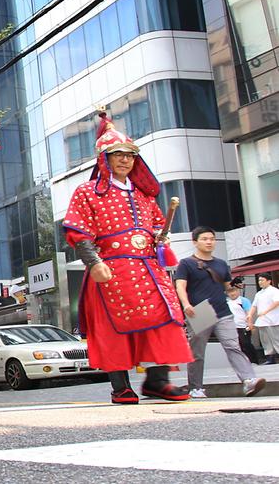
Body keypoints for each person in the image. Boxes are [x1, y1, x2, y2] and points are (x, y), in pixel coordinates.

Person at [63, 111, 192, 404]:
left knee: (165, 319)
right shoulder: (87, 192)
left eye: (130, 155)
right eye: (117, 154)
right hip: (111, 268)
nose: (124, 160)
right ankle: (120, 386)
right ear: (104, 158)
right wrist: (93, 262)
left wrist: (161, 236)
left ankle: (158, 381)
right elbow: (78, 231)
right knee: (112, 328)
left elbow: (158, 224)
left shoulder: (145, 195)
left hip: (149, 269)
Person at [174, 226, 265, 398]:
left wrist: (235, 285)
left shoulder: (221, 264)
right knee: (197, 352)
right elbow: (180, 285)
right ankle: (195, 387)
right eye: (204, 239)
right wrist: (186, 304)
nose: (209, 242)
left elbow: (227, 287)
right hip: (200, 311)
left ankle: (249, 380)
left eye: (212, 238)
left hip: (223, 311)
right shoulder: (186, 263)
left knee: (233, 346)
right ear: (195, 242)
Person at [249, 273, 279, 364]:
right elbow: (254, 306)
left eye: (262, 280)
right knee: (265, 340)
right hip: (262, 320)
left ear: (269, 281)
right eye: (259, 280)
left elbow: (277, 302)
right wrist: (250, 314)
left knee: (276, 339)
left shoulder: (274, 291)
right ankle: (270, 358)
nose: (260, 282)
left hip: (273, 319)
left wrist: (266, 311)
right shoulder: (259, 294)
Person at [227, 277, 259, 364]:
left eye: (233, 291)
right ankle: (244, 362)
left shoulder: (243, 300)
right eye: (230, 292)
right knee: (238, 345)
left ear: (237, 291)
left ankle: (254, 360)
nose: (232, 294)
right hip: (232, 327)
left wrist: (250, 324)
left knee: (246, 343)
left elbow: (249, 313)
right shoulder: (227, 302)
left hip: (243, 326)